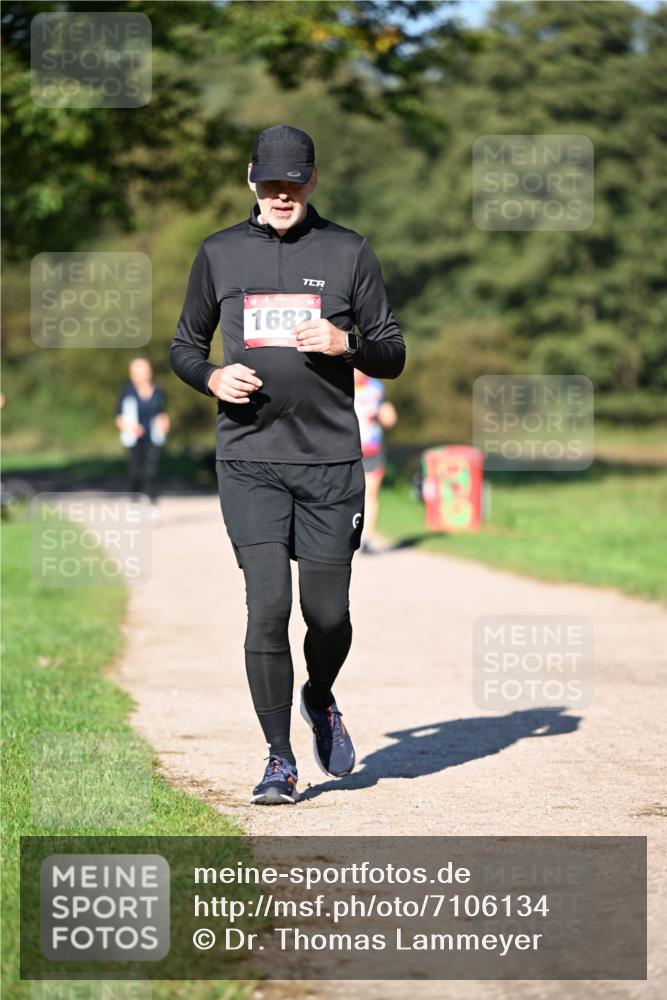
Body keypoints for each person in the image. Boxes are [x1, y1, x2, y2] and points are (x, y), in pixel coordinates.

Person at [170, 124, 405, 805]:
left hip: (330, 461)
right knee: (268, 607)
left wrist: (345, 342)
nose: (280, 195)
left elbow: (391, 352)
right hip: (249, 459)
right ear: (251, 178)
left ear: (312, 181)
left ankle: (320, 695)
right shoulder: (218, 253)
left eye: (292, 185)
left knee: (326, 615)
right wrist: (212, 378)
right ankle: (279, 759)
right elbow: (184, 346)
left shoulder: (349, 251)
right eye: (269, 183)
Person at [114, 358, 170, 513]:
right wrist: (130, 428)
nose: (143, 374)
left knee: (152, 470)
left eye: (145, 371)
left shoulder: (158, 391)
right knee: (135, 472)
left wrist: (165, 423)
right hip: (134, 438)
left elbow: (162, 412)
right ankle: (135, 503)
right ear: (132, 374)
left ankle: (153, 503)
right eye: (139, 372)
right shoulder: (127, 392)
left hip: (153, 437)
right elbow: (118, 416)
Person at [353, 368, 397, 554]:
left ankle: (367, 539)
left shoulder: (376, 387)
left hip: (371, 449)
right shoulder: (338, 382)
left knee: (370, 494)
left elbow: (389, 417)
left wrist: (385, 416)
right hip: (344, 448)